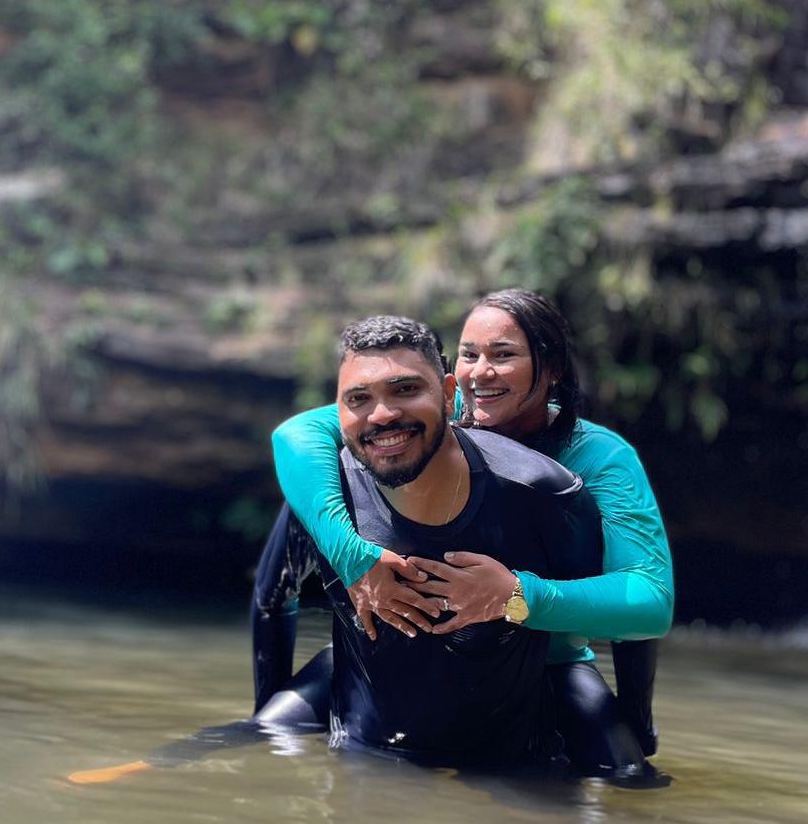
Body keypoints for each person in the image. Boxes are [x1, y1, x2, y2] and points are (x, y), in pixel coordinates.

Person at [261, 289, 674, 773]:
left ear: (554, 368)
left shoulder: (599, 460)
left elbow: (648, 599)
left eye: (503, 356)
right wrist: (353, 556)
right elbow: (296, 435)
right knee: (265, 736)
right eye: (470, 354)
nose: (481, 373)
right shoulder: (428, 413)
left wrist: (517, 597)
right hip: (406, 653)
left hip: (546, 663)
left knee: (629, 779)